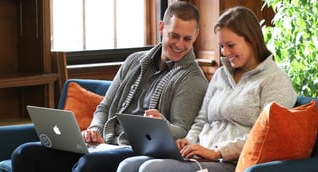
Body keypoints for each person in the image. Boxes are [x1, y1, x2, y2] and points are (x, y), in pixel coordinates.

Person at [11, 2, 208, 172]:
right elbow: (104, 107)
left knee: (88, 164)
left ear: (196, 35)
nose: (180, 44)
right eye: (174, 35)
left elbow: (183, 131)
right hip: (102, 145)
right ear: (161, 27)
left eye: (187, 38)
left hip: (135, 152)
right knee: (24, 154)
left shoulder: (192, 79)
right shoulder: (133, 61)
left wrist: (162, 124)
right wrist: (94, 130)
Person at [116, 6, 297, 172]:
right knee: (127, 166)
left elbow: (266, 135)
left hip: (232, 162)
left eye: (230, 45)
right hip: (201, 154)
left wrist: (217, 152)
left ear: (252, 40)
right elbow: (201, 120)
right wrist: (188, 142)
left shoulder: (275, 80)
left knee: (150, 169)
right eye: (221, 46)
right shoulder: (221, 75)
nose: (225, 53)